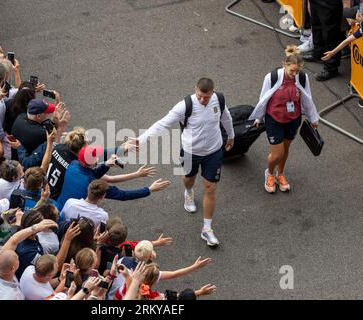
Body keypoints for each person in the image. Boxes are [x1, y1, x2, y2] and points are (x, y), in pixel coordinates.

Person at [138, 78, 235, 247]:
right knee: (189, 178)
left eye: (206, 96)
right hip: (191, 151)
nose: (202, 100)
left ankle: (207, 228)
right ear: (195, 90)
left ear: (212, 92)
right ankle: (188, 192)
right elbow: (162, 123)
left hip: (214, 151)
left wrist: (231, 135)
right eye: (199, 96)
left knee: (210, 188)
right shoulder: (185, 105)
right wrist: (141, 139)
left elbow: (226, 117)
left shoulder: (218, 99)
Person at [250, 45, 319, 194]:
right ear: (284, 65)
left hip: (293, 119)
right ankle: (269, 173)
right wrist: (259, 117)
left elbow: (307, 98)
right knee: (277, 154)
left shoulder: (302, 77)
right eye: (291, 70)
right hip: (274, 119)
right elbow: (263, 98)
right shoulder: (272, 77)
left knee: (285, 150)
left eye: (297, 70)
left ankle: (280, 174)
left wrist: (313, 118)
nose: (294, 74)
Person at [56, 145, 168, 218]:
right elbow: (122, 195)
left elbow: (90, 174)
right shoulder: (95, 185)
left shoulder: (74, 164)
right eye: (95, 157)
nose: (98, 158)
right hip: (72, 218)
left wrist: (105, 165)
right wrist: (149, 189)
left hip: (61, 208)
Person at [303, 0, 344, 81]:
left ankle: (331, 68)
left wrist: (347, 7)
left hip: (330, 3)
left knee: (330, 34)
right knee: (316, 26)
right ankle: (318, 53)